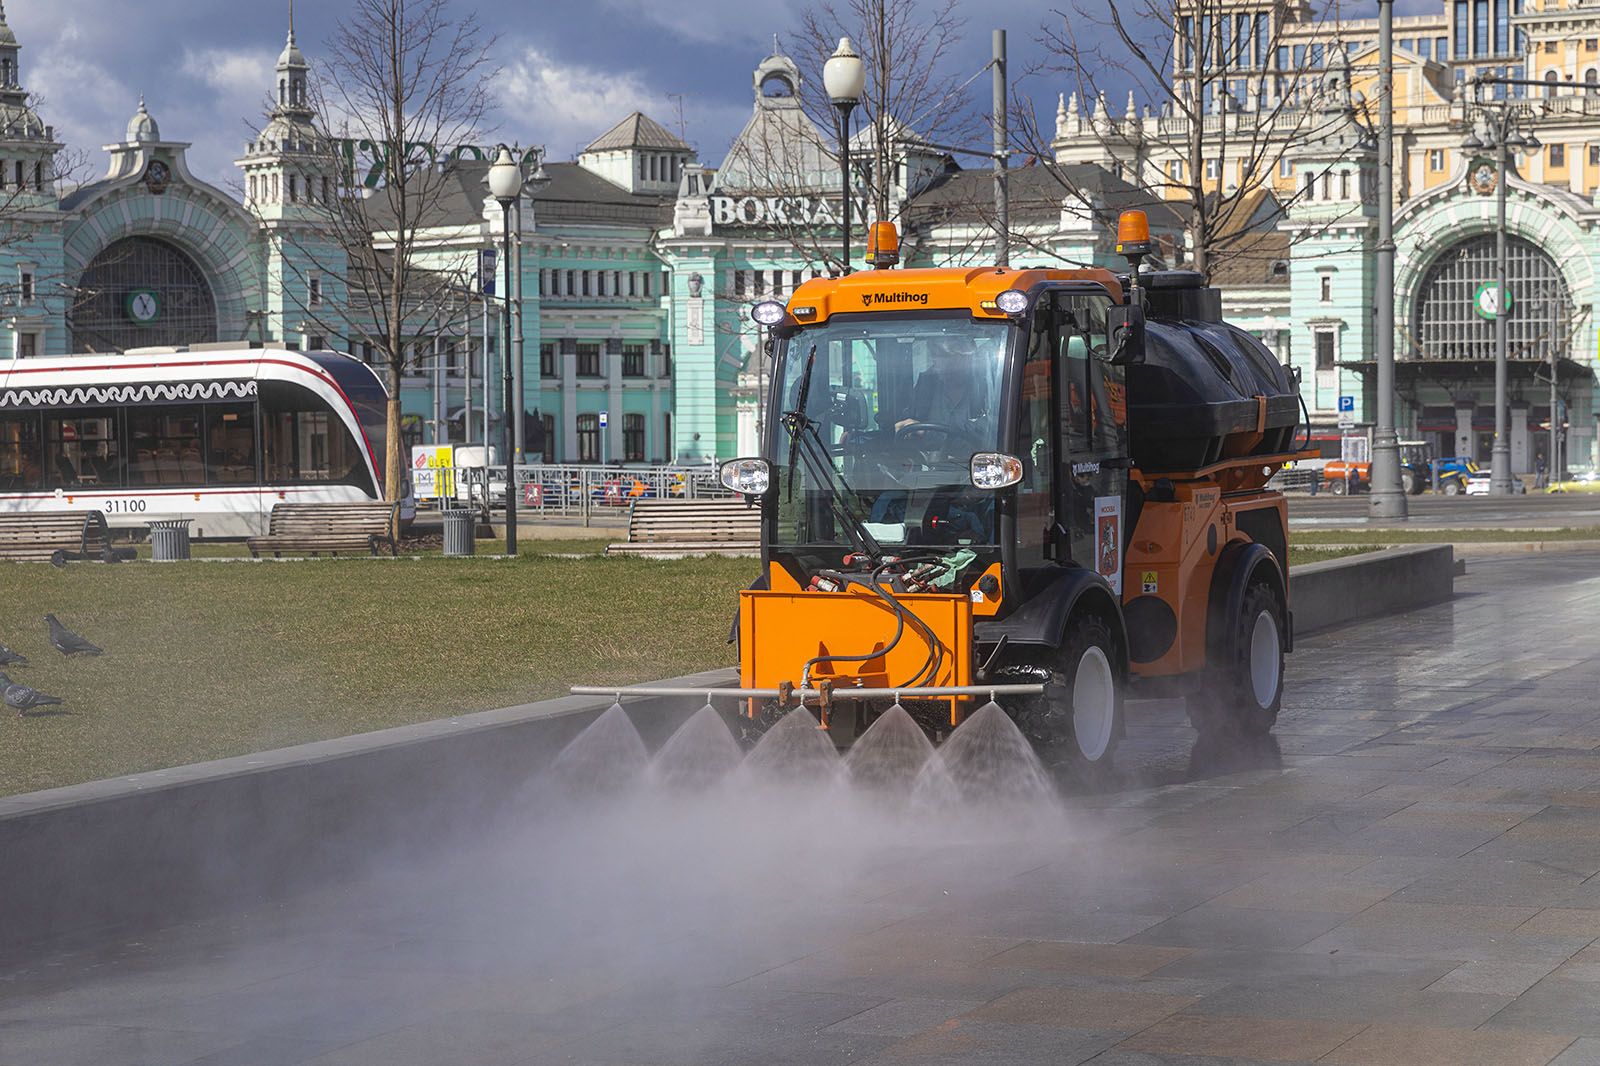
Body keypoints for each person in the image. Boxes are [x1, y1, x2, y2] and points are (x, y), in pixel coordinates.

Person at [897, 335, 989, 431]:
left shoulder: (985, 386)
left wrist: (928, 432)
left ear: (967, 358)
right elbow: (910, 417)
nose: (941, 364)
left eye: (948, 356)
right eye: (936, 356)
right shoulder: (926, 384)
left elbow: (993, 428)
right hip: (927, 446)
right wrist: (905, 424)